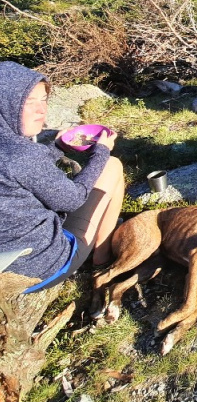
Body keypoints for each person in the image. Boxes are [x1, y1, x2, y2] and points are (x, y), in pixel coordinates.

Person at [0, 61, 125, 290]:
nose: (41, 110)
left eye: (44, 99)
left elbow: (20, 172)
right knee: (112, 166)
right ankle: (102, 258)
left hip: (5, 258)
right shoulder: (21, 154)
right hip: (36, 268)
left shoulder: (11, 149)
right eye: (28, 101)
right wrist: (101, 153)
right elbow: (73, 199)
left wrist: (57, 148)